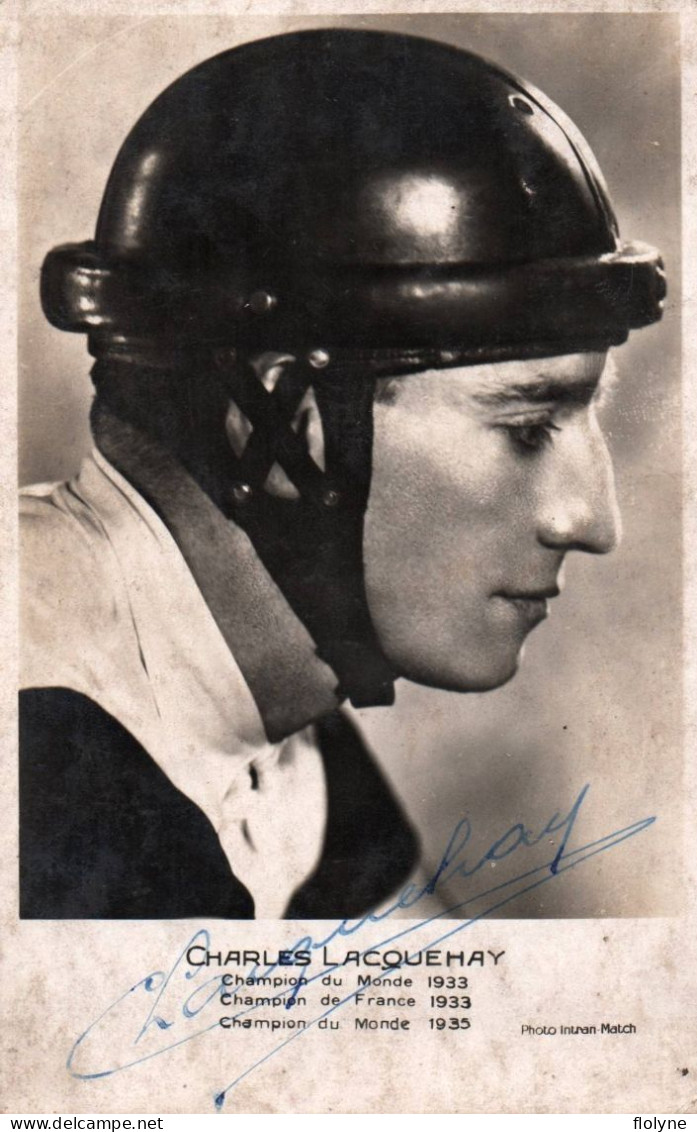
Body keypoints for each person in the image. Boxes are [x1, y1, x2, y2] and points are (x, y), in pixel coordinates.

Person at [19, 28, 665, 920]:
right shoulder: (48, 764)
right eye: (524, 428)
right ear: (289, 423)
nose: (592, 520)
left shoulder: (286, 732)